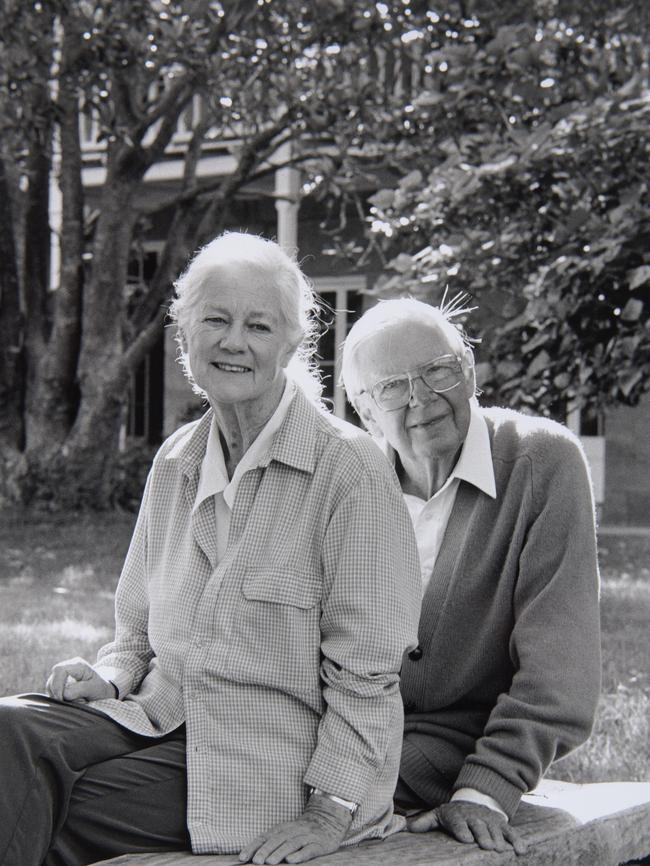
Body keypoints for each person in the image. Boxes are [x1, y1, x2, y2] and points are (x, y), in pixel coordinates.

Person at [0, 234, 422, 866]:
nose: (234, 341)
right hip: (159, 719)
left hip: (270, 764)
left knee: (52, 807)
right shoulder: (176, 461)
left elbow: (368, 674)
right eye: (216, 320)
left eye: (258, 325)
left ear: (290, 343)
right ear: (184, 332)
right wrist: (109, 678)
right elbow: (135, 635)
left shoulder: (349, 469)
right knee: (6, 735)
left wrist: (329, 812)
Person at [341, 297, 601, 855]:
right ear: (364, 410)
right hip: (336, 734)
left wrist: (487, 790)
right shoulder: (348, 482)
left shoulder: (541, 461)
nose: (422, 399)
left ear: (470, 373)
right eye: (392, 386)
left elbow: (560, 669)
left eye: (439, 371)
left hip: (445, 752)